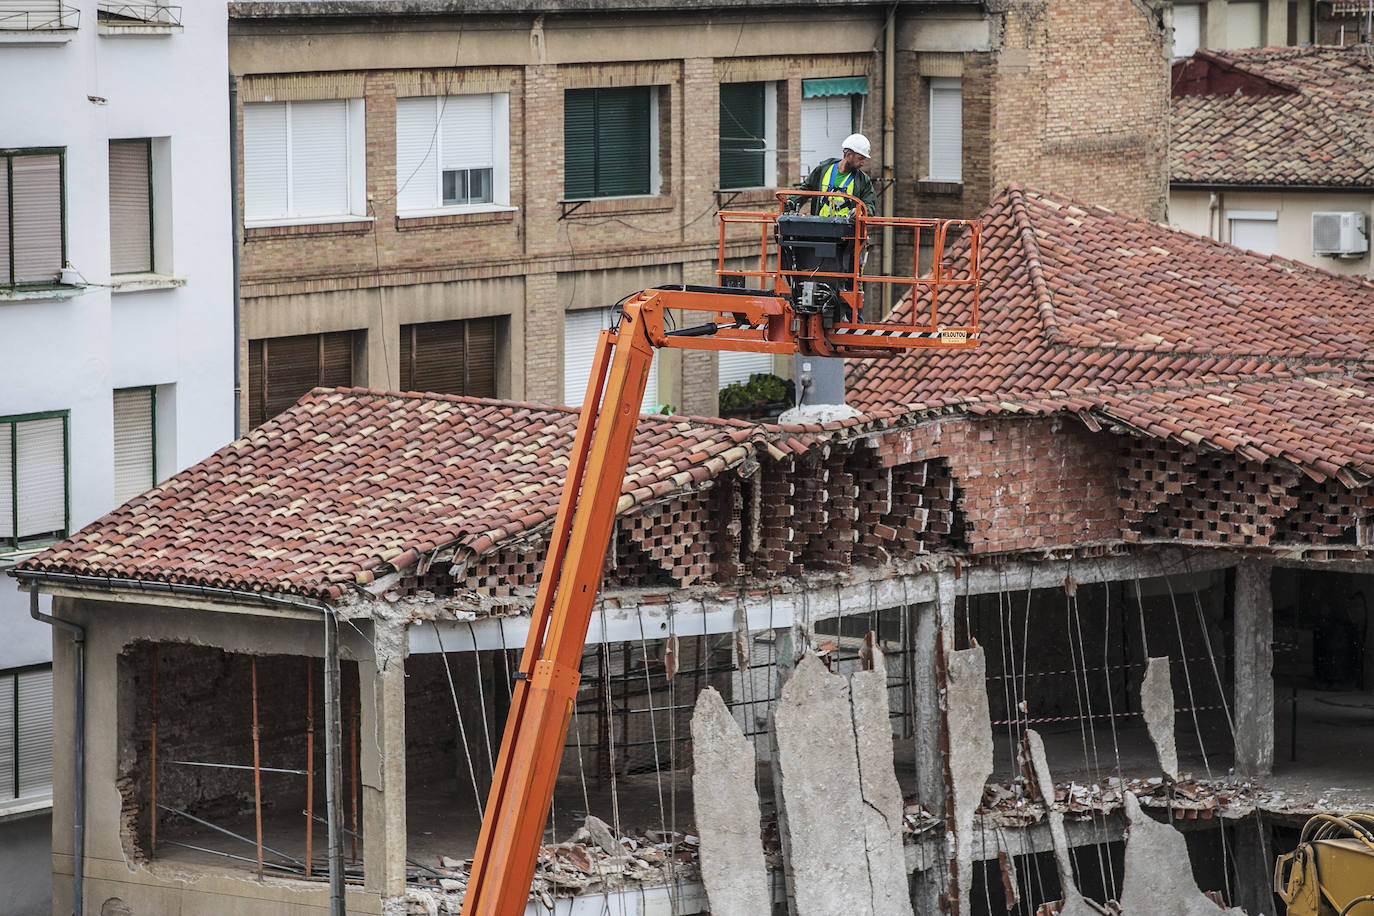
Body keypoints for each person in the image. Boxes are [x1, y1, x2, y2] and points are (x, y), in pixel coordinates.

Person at [794, 133, 878, 218]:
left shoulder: (863, 180)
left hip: (846, 229)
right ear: (848, 155)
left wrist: (860, 211)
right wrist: (791, 203)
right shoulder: (823, 169)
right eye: (860, 159)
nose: (863, 163)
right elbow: (805, 190)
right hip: (820, 225)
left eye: (864, 159)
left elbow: (869, 205)